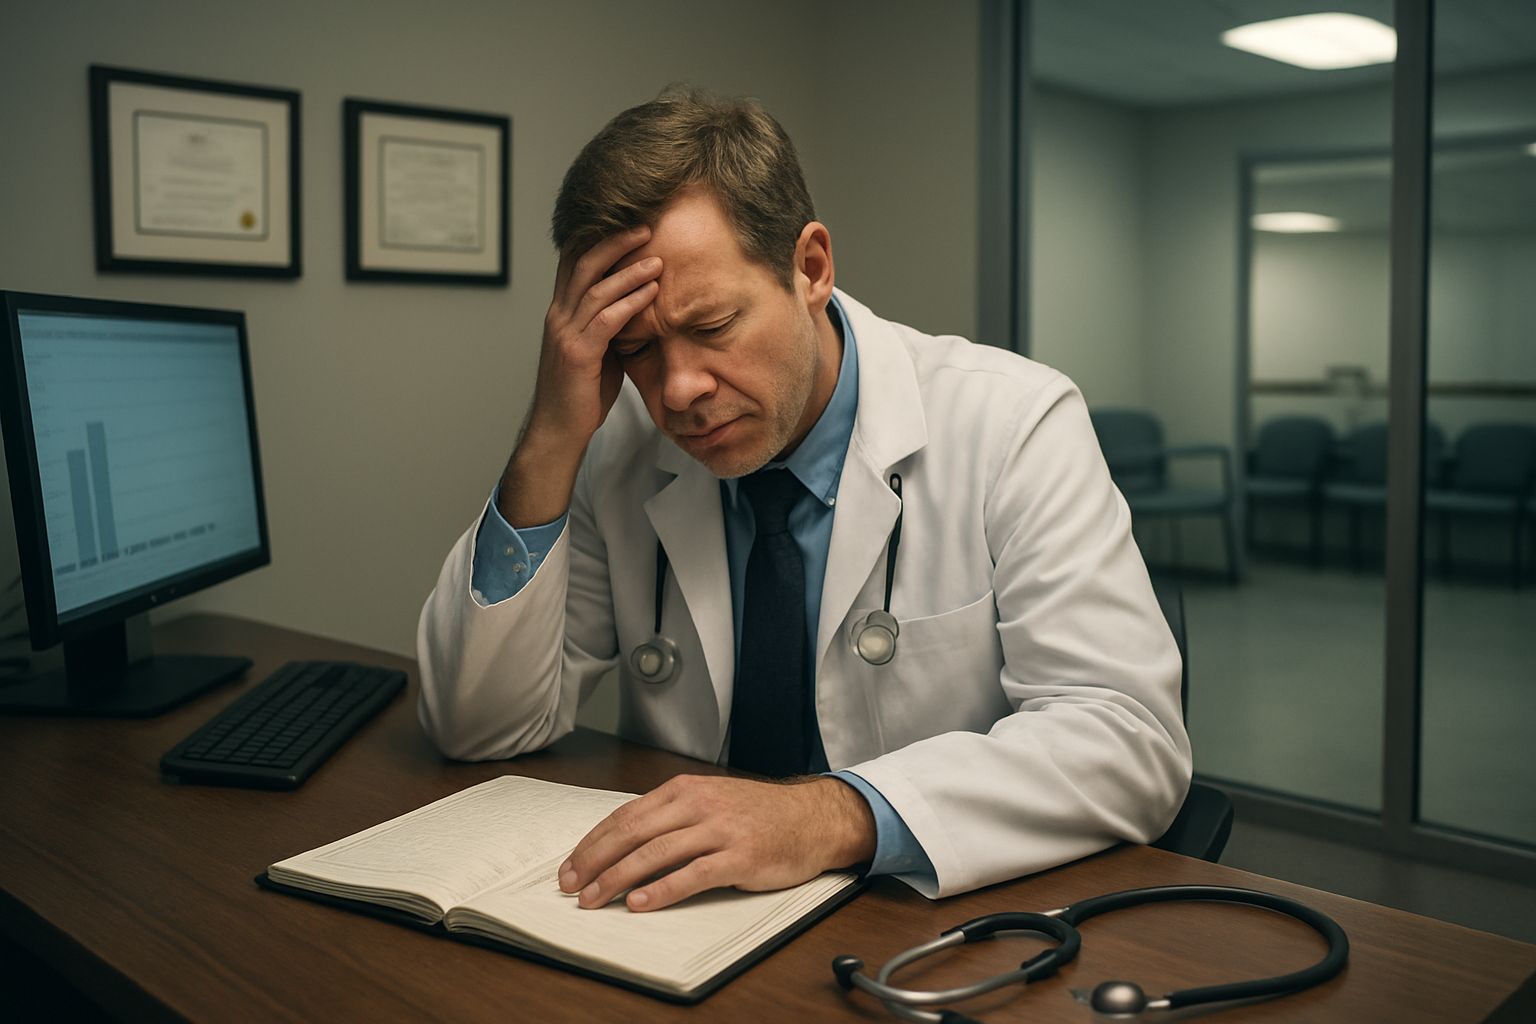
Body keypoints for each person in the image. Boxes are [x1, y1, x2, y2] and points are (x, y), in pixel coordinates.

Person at [417, 88, 1190, 914]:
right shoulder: (616, 453)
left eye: (713, 326)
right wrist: (549, 435)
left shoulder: (1011, 424)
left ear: (811, 268)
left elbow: (1127, 738)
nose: (678, 392)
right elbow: (478, 728)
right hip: (681, 926)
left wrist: (829, 815)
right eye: (636, 350)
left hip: (928, 921)